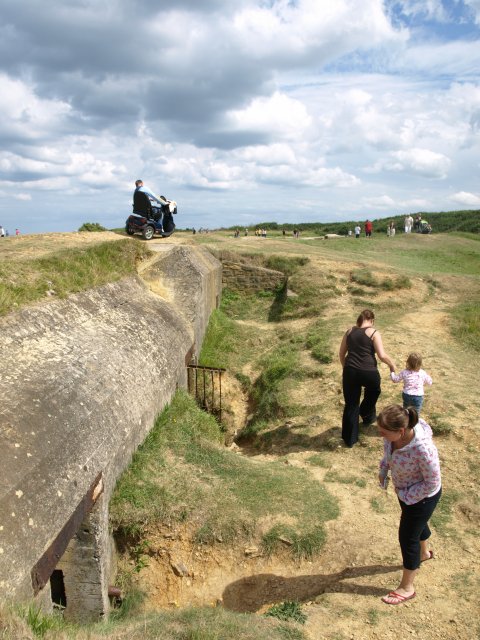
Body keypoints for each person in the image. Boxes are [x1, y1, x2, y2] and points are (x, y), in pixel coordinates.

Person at [377, 404, 441, 605]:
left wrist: (406, 494)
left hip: (423, 497)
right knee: (417, 525)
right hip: (406, 494)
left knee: (407, 537)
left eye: (384, 432)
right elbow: (388, 453)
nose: (381, 435)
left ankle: (407, 588)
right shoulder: (393, 437)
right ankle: (424, 553)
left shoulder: (423, 449)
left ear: (401, 431)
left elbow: (432, 481)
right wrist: (384, 469)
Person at [339, 309, 395, 447]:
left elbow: (341, 354)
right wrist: (392, 365)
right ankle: (366, 412)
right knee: (374, 390)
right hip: (368, 372)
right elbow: (382, 355)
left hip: (350, 371)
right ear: (372, 320)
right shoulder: (374, 333)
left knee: (351, 404)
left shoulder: (349, 331)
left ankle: (349, 440)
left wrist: (346, 368)